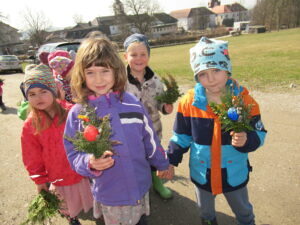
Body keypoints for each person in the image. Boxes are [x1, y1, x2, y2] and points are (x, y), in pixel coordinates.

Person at [63, 37, 170, 225]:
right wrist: (90, 162)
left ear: (116, 71)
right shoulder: (79, 114)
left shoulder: (131, 104)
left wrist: (163, 163)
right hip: (109, 193)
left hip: (139, 186)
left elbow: (150, 139)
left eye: (105, 71)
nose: (98, 79)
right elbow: (73, 152)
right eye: (91, 72)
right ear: (81, 75)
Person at [161, 37, 267, 225]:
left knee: (242, 210)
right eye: (203, 74)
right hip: (202, 172)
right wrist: (170, 160)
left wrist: (247, 140)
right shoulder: (189, 103)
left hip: (233, 172)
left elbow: (260, 133)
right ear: (196, 76)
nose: (210, 79)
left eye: (216, 70)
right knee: (205, 212)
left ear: (227, 69)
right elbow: (181, 136)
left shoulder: (245, 102)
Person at [21, 64, 93, 225]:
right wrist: (40, 180)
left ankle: (98, 211)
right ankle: (71, 218)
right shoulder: (31, 124)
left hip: (81, 170)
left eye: (43, 91)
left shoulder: (72, 112)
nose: (38, 97)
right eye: (32, 94)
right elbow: (31, 156)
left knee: (87, 196)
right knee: (66, 203)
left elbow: (89, 133)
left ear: (53, 91)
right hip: (58, 175)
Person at [123, 33, 173, 200]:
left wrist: (165, 107)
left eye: (143, 54)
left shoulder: (155, 80)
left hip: (153, 128)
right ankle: (137, 185)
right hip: (130, 132)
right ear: (125, 57)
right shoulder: (119, 81)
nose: (139, 58)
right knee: (134, 158)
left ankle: (157, 182)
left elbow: (160, 101)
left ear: (149, 56)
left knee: (154, 154)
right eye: (134, 55)